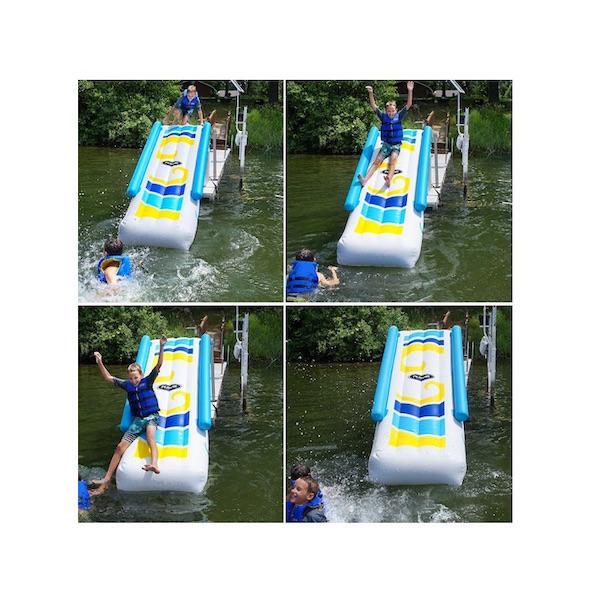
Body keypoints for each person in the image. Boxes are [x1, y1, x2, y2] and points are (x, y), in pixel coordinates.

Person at [90, 336, 167, 495]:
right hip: (138, 420)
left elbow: (159, 364)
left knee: (150, 436)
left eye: (136, 377)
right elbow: (108, 378)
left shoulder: (148, 381)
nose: (133, 381)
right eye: (131, 378)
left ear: (141, 375)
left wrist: (161, 346)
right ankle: (106, 479)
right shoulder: (127, 385)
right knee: (119, 447)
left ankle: (154, 464)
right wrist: (100, 362)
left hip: (152, 416)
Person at [358, 81, 414, 187]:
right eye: (389, 111)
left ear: (396, 110)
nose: (391, 113)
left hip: (396, 145)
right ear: (386, 111)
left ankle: (389, 179)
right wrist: (371, 93)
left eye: (393, 111)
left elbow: (408, 105)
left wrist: (410, 91)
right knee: (377, 161)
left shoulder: (399, 116)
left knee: (393, 160)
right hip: (386, 144)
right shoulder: (383, 117)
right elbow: (373, 106)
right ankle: (365, 180)